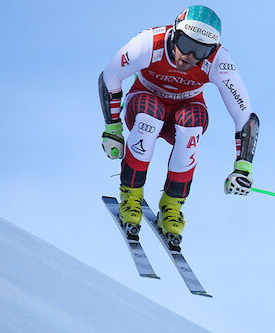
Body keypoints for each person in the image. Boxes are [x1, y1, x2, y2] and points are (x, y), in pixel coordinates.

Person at [99, 5, 259, 250]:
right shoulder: (149, 44)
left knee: (192, 122)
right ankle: (131, 197)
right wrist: (113, 129)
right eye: (186, 44)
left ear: (213, 49)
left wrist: (243, 167)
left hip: (183, 111)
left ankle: (172, 207)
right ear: (174, 33)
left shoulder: (219, 61)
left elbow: (244, 114)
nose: (190, 56)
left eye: (201, 50)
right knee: (150, 115)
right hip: (144, 101)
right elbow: (110, 75)